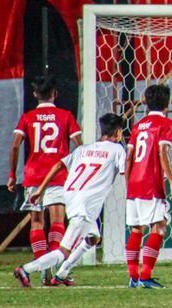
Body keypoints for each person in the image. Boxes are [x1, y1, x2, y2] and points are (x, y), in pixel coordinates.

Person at [13, 114, 126, 288]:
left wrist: (41, 190)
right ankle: (26, 269)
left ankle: (62, 273)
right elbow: (126, 173)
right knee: (64, 250)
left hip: (71, 197)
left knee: (93, 238)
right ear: (118, 133)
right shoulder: (117, 150)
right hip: (85, 205)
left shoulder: (84, 149)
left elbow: (59, 165)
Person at [7, 75, 83, 285]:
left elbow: (15, 146)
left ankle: (41, 267)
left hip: (33, 176)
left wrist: (12, 175)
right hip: (58, 176)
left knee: (37, 222)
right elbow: (79, 144)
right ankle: (50, 268)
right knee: (58, 222)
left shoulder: (27, 117)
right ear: (55, 94)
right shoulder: (65, 115)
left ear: (34, 95)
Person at [125, 84, 172, 289]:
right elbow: (162, 152)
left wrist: (129, 185)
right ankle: (146, 276)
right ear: (167, 103)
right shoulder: (166, 124)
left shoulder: (137, 126)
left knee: (136, 229)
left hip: (134, 183)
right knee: (159, 227)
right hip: (151, 183)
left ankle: (133, 276)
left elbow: (129, 157)